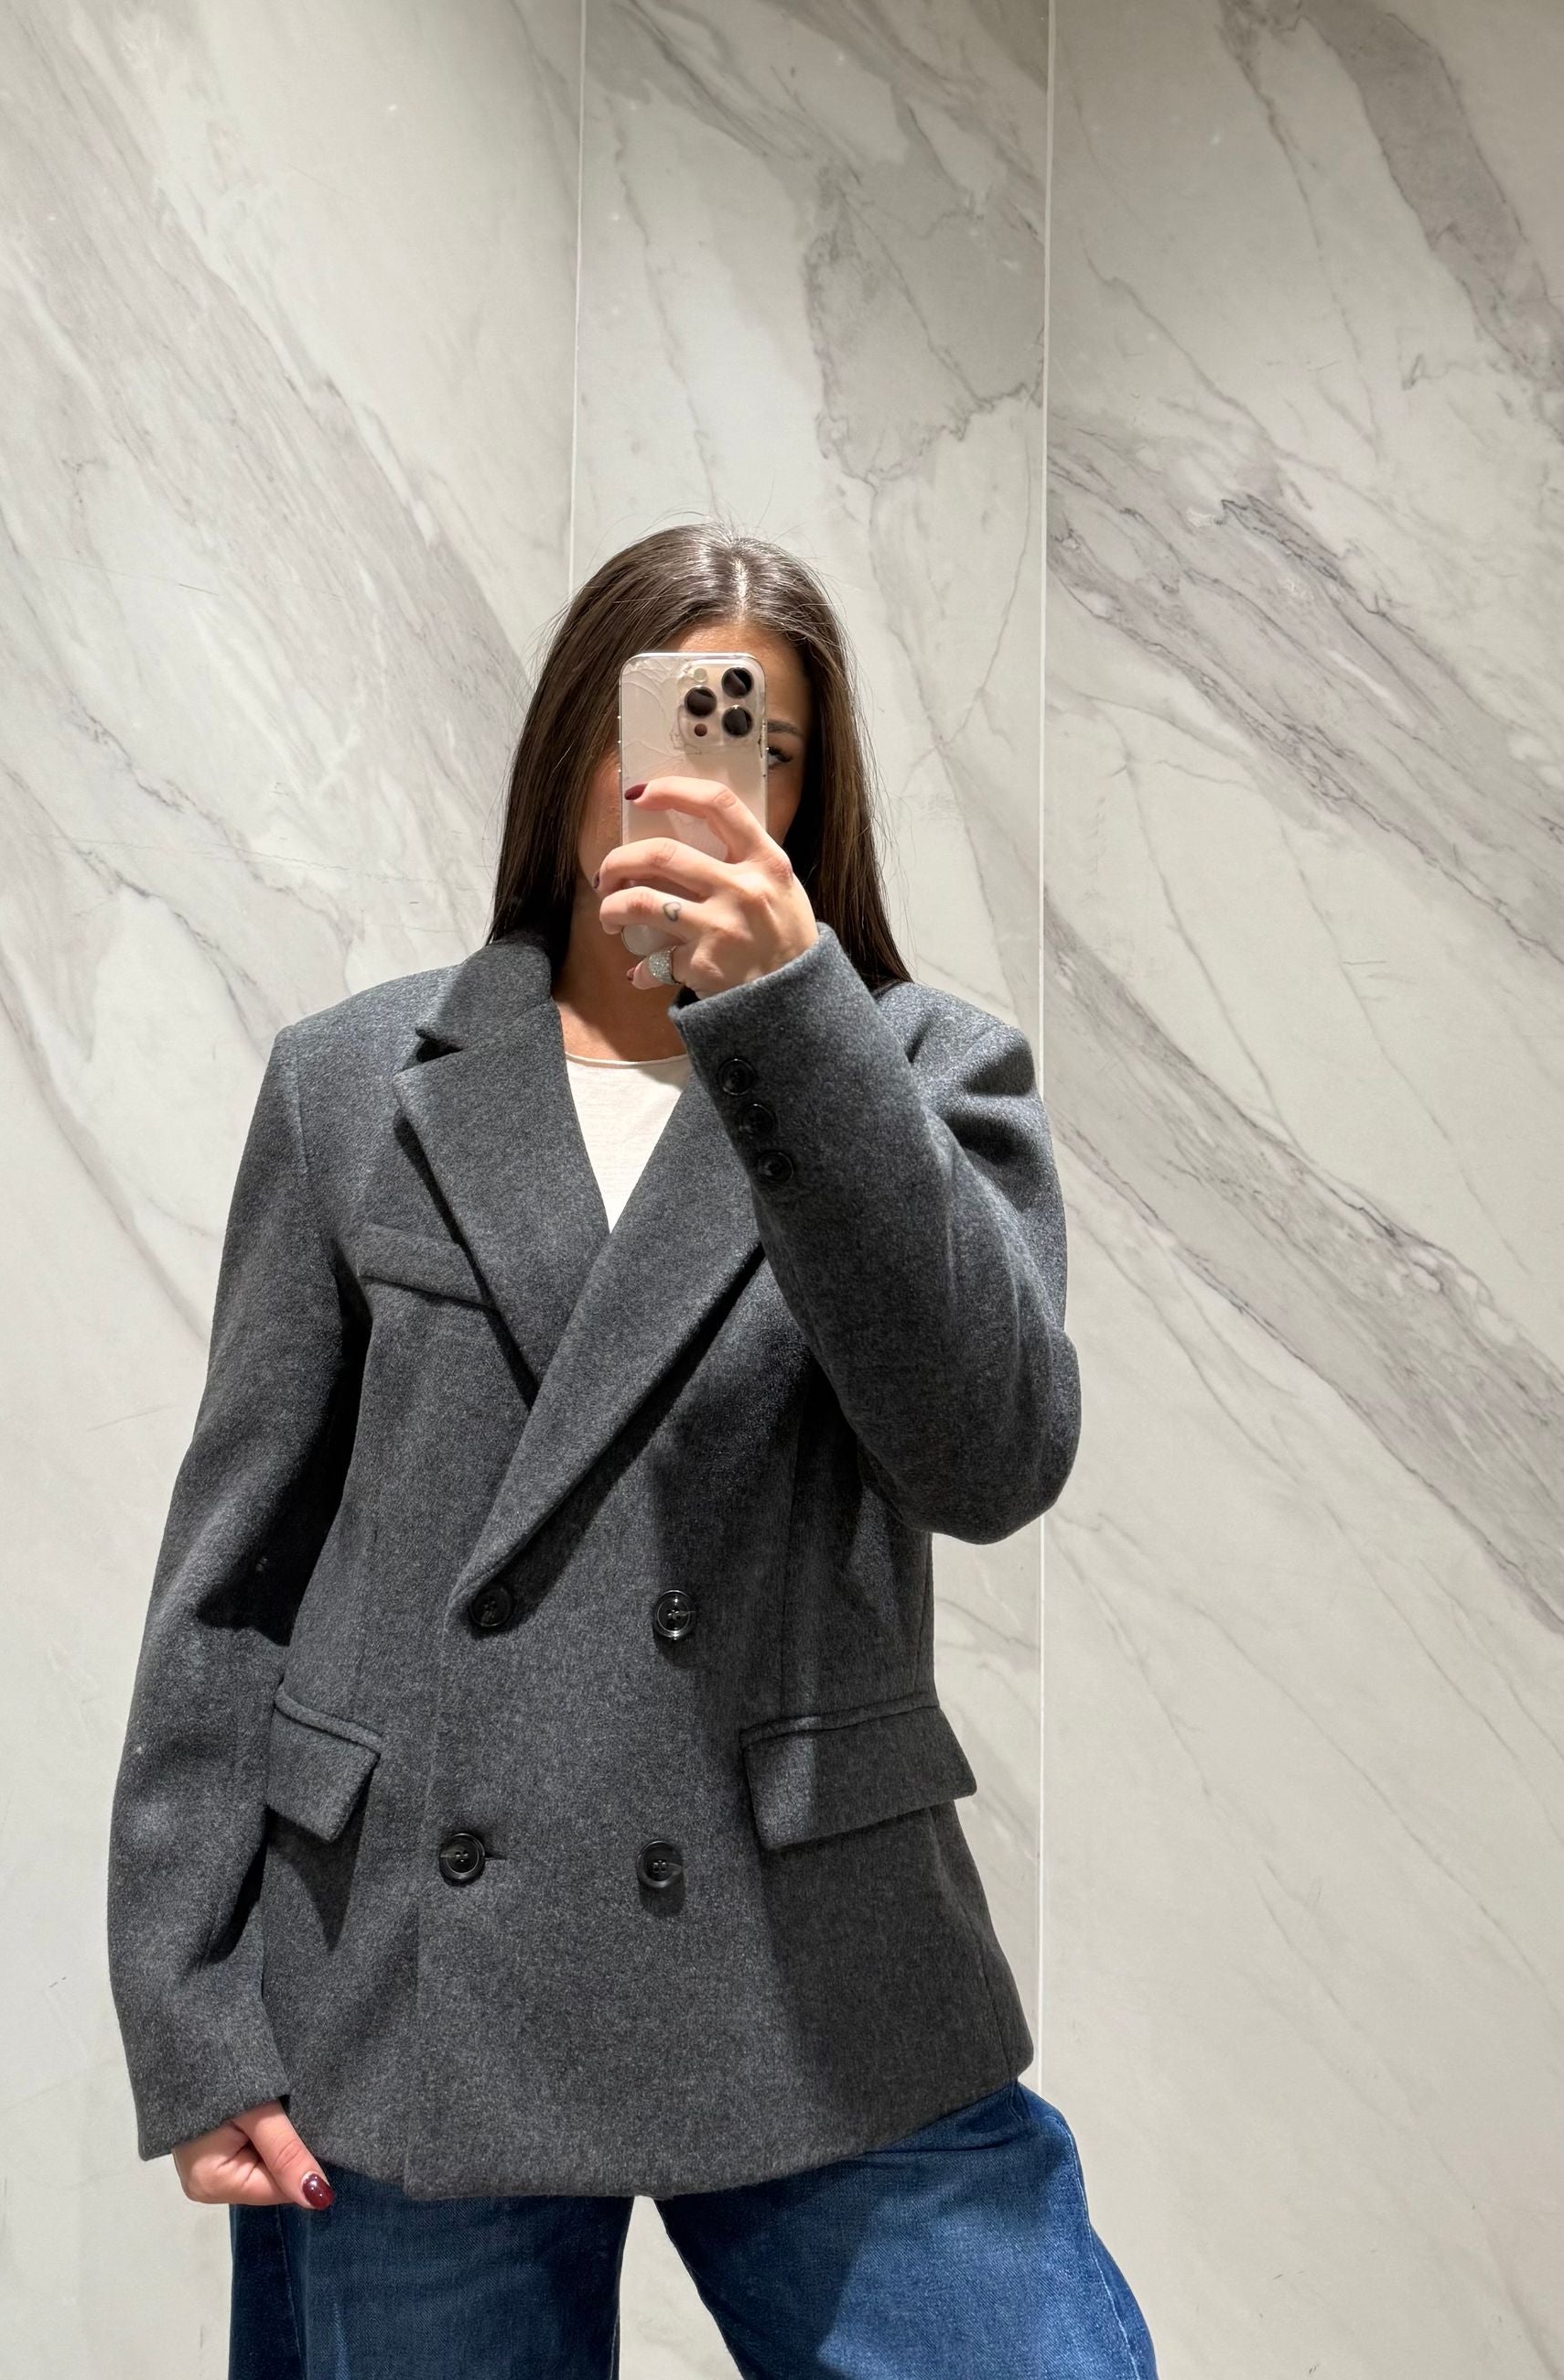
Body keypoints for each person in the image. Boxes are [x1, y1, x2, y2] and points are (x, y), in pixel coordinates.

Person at [106, 524, 1158, 2377]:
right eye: (655, 726)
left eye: (764, 743)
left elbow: (990, 1459)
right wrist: (193, 2011)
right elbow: (239, 1573)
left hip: (817, 1946)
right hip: (415, 1978)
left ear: (807, 798)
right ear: (568, 757)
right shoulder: (356, 1083)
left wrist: (794, 1026)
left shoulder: (920, 1071)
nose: (695, 777)